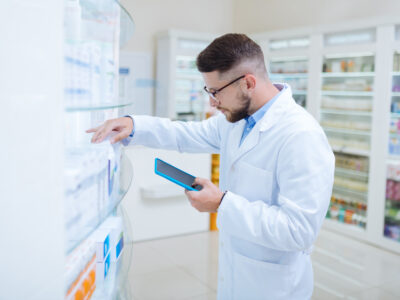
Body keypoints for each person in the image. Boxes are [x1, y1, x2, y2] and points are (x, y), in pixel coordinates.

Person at [87, 33, 335, 299]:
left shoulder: (301, 136)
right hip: (237, 274)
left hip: (275, 287)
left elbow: (299, 231)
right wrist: (135, 125)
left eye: (216, 92)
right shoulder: (239, 119)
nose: (212, 102)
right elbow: (186, 134)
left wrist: (222, 204)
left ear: (248, 83)